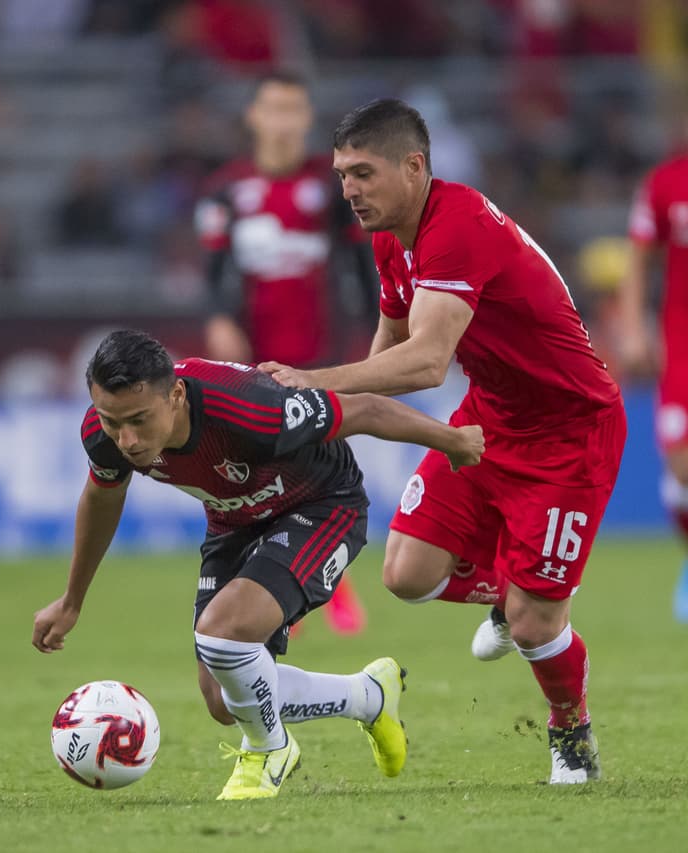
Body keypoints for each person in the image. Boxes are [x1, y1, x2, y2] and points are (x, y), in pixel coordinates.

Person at [261, 99, 626, 784]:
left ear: (415, 166)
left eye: (363, 173)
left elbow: (425, 364)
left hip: (569, 432)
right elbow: (388, 353)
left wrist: (311, 382)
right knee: (406, 573)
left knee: (533, 626)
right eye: (342, 175)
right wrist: (329, 409)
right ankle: (510, 589)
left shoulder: (456, 226)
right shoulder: (389, 236)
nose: (350, 190)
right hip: (490, 417)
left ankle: (570, 729)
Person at [32, 329, 486, 800]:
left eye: (139, 420)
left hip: (323, 506)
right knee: (225, 698)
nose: (126, 439)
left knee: (224, 632)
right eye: (112, 421)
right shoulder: (103, 436)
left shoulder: (254, 409)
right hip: (234, 521)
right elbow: (102, 499)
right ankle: (369, 696)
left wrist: (451, 440)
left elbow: (366, 409)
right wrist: (72, 600)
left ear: (176, 395)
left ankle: (269, 751)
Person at [195, 70, 377, 635]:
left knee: (325, 466)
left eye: (293, 109)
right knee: (254, 469)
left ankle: (324, 580)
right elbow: (215, 273)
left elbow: (359, 266)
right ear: (254, 116)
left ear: (306, 119)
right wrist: (220, 320)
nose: (282, 121)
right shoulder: (226, 191)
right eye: (271, 108)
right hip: (251, 356)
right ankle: (275, 582)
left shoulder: (330, 189)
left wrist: (378, 333)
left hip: (320, 351)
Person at [620, 143, 688, 621]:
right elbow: (639, 257)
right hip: (681, 338)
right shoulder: (667, 182)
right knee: (682, 462)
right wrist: (632, 327)